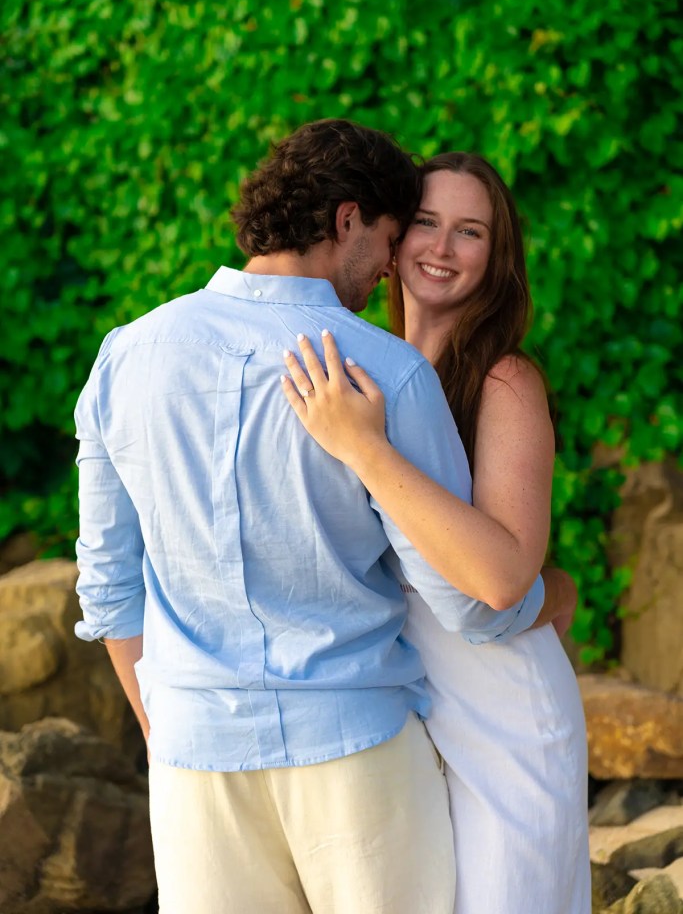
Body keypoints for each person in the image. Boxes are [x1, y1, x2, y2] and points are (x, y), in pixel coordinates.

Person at [73, 122, 569, 914]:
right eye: (394, 237)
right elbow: (468, 604)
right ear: (347, 222)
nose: (389, 266)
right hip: (354, 745)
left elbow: (107, 589)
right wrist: (551, 596)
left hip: (194, 754)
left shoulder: (123, 356)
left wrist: (167, 731)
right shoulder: (384, 370)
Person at [281, 151, 591, 914]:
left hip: (504, 718)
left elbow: (502, 579)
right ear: (391, 241)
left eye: (469, 231)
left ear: (496, 257)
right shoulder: (360, 369)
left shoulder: (503, 381)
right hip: (410, 720)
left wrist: (364, 448)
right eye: (425, 222)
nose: (442, 248)